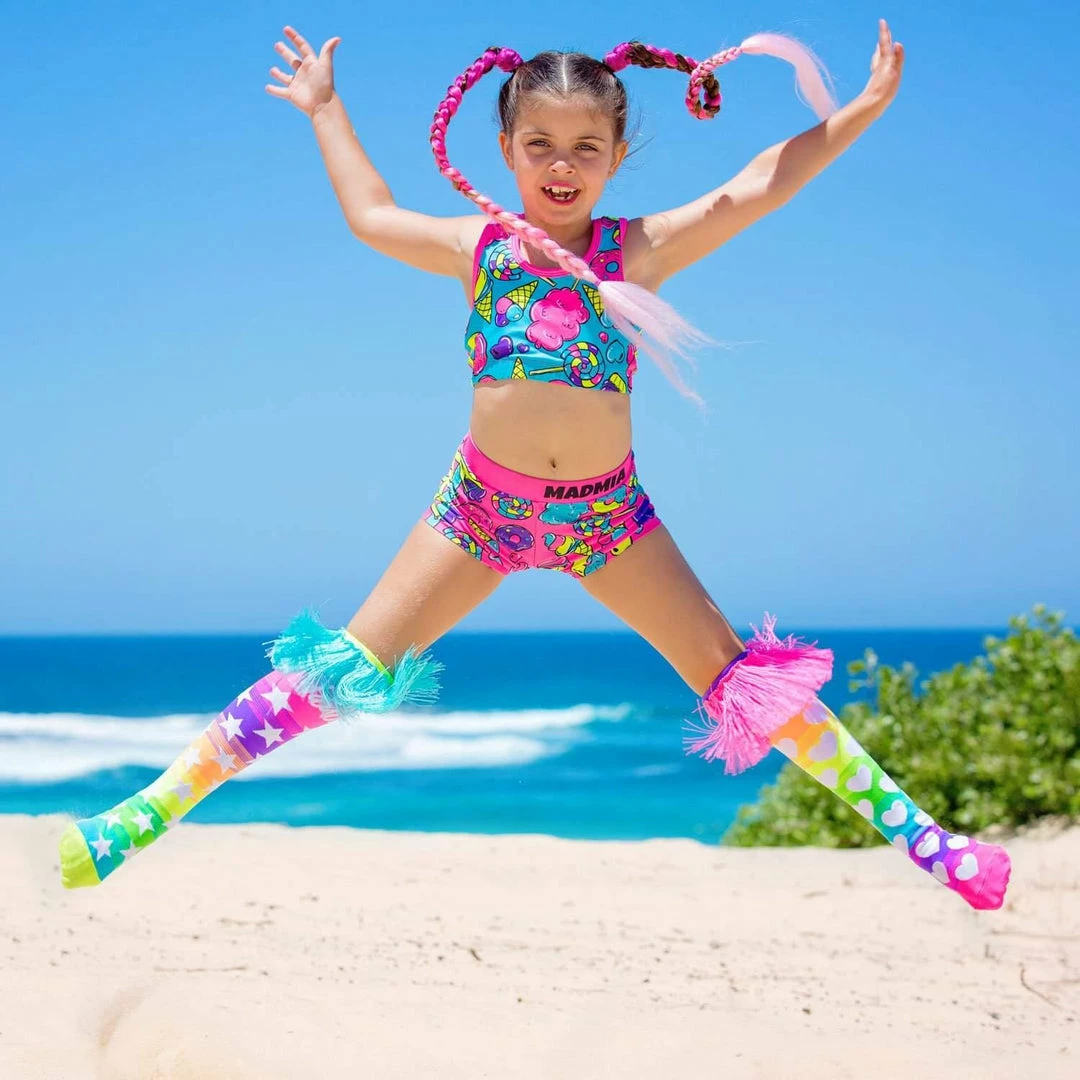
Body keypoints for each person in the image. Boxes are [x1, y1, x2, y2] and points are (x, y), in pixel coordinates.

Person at [58, 20, 1010, 909]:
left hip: (608, 517)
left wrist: (861, 110)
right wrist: (325, 107)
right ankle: (140, 816)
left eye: (587, 147)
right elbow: (372, 214)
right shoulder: (479, 248)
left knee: (739, 678)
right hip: (479, 508)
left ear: (617, 157)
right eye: (541, 144)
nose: (563, 164)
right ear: (506, 150)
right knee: (342, 666)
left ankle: (933, 845)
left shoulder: (637, 249)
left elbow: (763, 181)